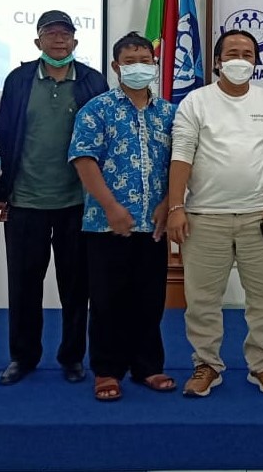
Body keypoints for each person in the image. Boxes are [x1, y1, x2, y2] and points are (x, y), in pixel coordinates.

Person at [167, 29, 263, 397]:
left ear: (256, 61)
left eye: (247, 54)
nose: (240, 59)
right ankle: (206, 364)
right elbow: (181, 154)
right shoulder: (196, 101)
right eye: (232, 53)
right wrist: (176, 206)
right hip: (205, 217)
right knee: (202, 300)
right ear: (218, 61)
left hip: (260, 217)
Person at [0, 10, 108, 386]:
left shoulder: (92, 81)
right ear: (37, 41)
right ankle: (23, 357)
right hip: (25, 200)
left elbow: (106, 138)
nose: (59, 39)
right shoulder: (19, 80)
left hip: (78, 203)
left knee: (76, 287)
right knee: (24, 285)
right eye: (51, 33)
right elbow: (2, 135)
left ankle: (72, 357)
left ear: (75, 41)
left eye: (65, 34)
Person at [68, 32, 177, 401]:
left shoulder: (169, 114)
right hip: (106, 224)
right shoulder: (96, 109)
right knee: (106, 300)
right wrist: (111, 207)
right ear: (116, 67)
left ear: (155, 65)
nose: (138, 67)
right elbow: (84, 160)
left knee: (150, 299)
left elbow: (180, 164)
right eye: (130, 62)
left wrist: (169, 203)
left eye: (145, 61)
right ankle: (107, 369)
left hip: (154, 224)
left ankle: (148, 366)